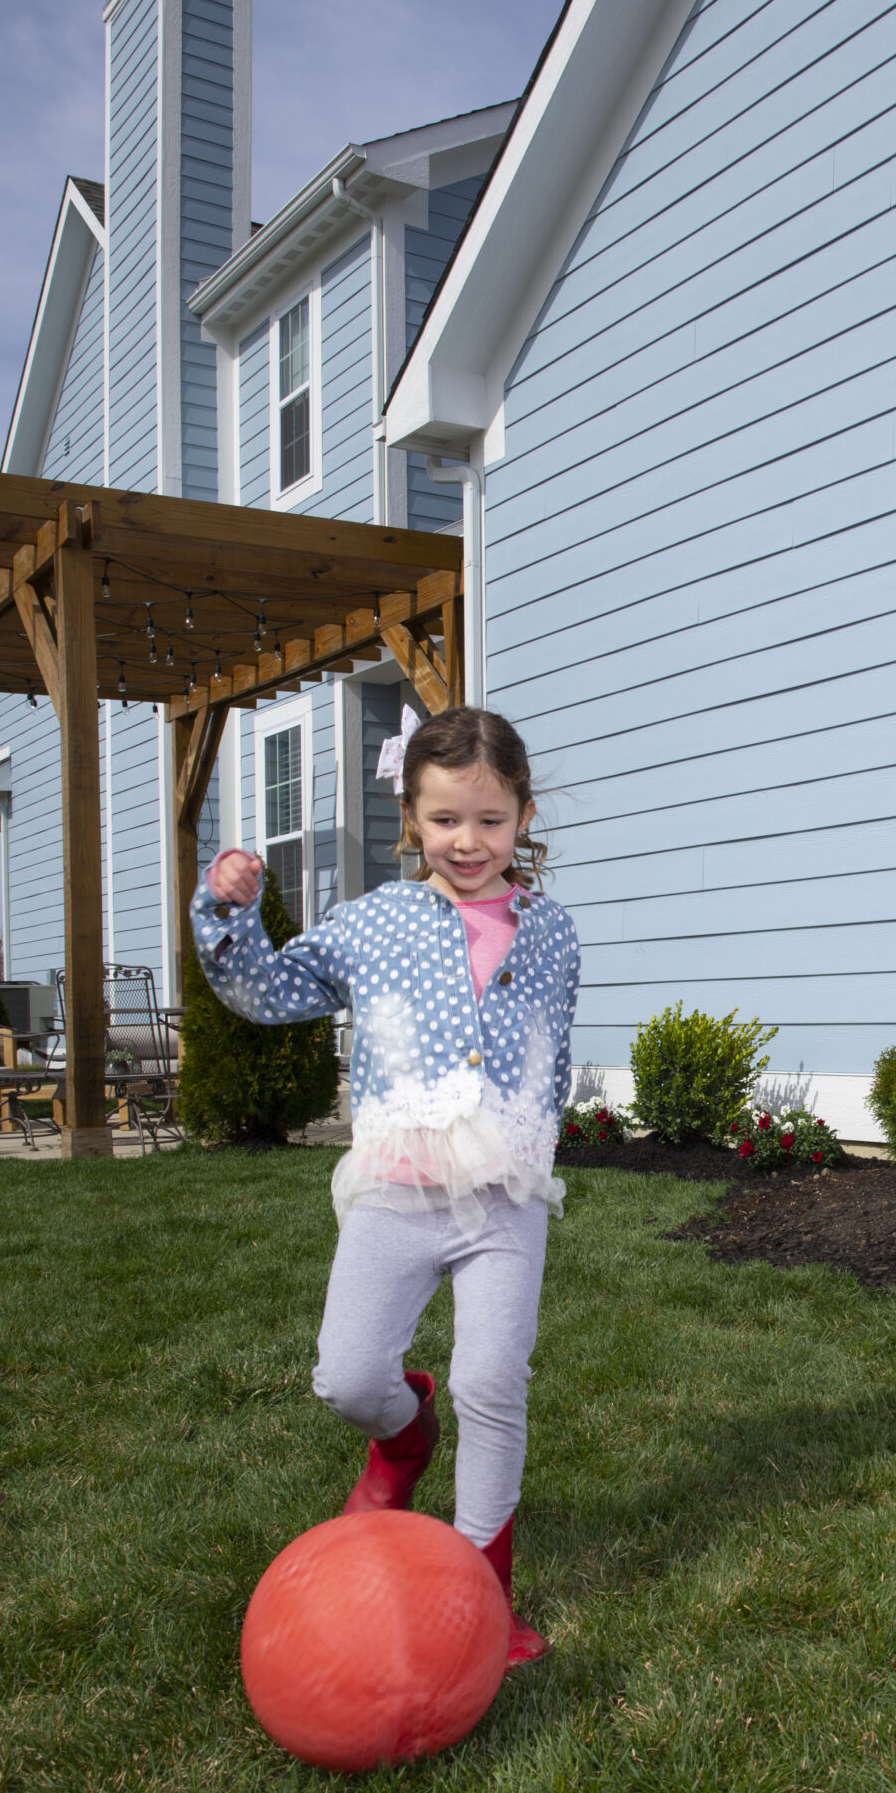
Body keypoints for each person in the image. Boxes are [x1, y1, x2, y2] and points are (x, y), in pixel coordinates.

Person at [193, 705, 579, 1668]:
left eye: (490, 821)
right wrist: (229, 910)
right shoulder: (373, 926)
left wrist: (533, 1150)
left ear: (523, 817)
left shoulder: (554, 933)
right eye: (446, 820)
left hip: (504, 1199)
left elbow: (549, 1056)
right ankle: (402, 1442)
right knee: (347, 1375)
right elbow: (266, 992)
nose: (468, 842)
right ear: (411, 818)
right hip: (397, 1190)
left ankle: (486, 1588)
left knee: (492, 1381)